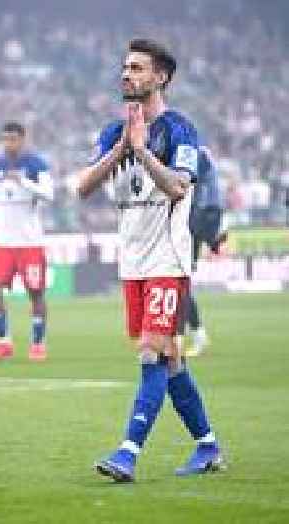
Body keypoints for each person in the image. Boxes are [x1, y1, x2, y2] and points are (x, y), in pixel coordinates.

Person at [76, 39, 223, 482]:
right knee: (171, 360)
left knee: (149, 354)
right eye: (125, 67)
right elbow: (82, 188)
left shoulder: (180, 130)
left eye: (138, 68)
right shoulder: (112, 132)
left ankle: (128, 453)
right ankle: (208, 446)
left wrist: (141, 151)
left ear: (161, 77)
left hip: (167, 259)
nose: (127, 74)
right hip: (133, 263)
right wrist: (122, 147)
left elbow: (178, 187)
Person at [0, 122, 54, 363]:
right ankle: (3, 342)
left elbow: (49, 194)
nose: (9, 144)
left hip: (29, 242)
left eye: (13, 139)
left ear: (23, 140)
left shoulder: (36, 164)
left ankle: (38, 343)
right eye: (5, 139)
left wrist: (23, 181)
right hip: (2, 242)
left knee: (35, 292)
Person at [183, 144, 224, 357]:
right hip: (204, 215)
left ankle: (196, 335)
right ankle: (189, 334)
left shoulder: (193, 153)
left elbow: (190, 184)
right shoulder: (201, 152)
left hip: (199, 215)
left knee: (180, 282)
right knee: (180, 282)